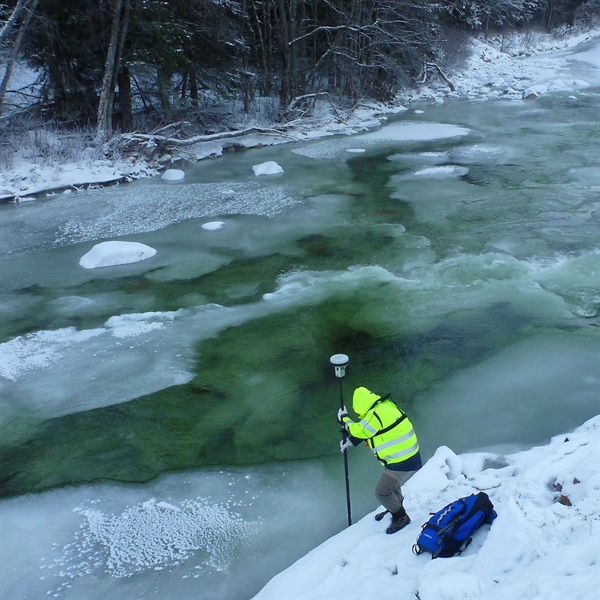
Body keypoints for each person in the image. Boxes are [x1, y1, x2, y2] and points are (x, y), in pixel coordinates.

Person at [337, 386, 422, 534]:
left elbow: (360, 430)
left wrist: (344, 419)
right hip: (407, 455)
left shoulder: (374, 415)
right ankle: (394, 507)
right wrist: (352, 441)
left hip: (403, 460)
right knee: (392, 486)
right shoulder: (385, 406)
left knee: (382, 491)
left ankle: (400, 517)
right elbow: (376, 431)